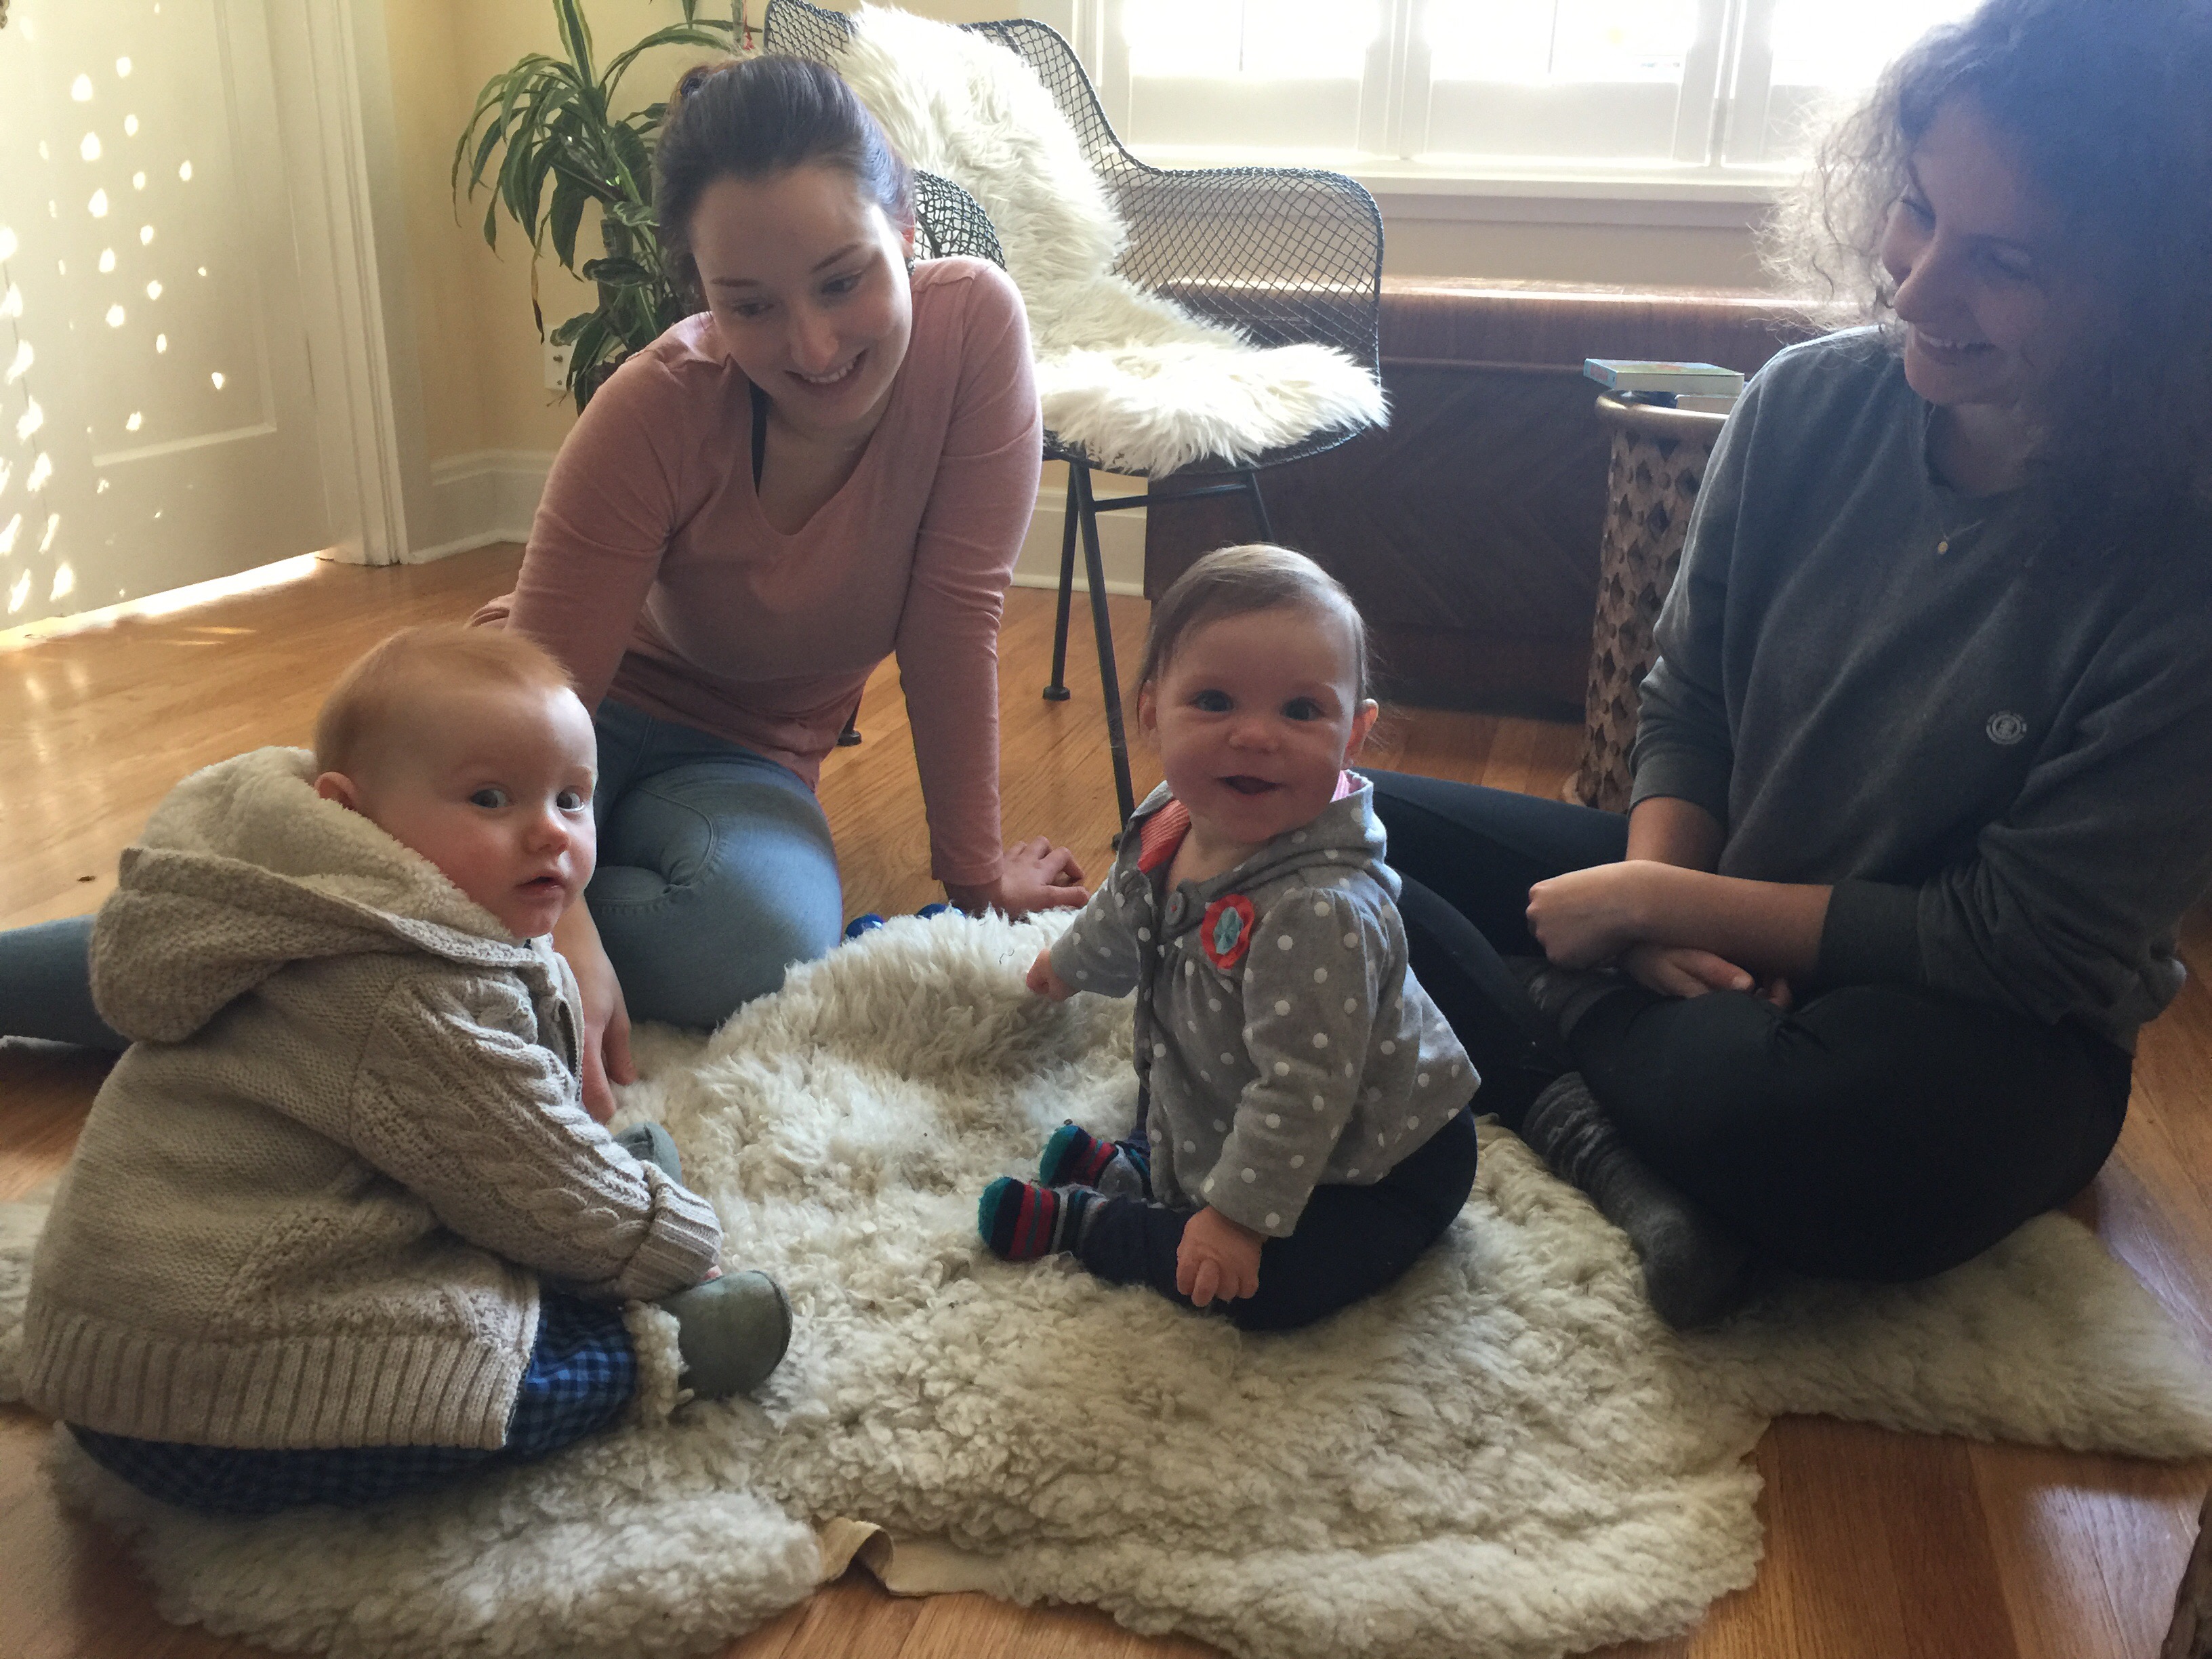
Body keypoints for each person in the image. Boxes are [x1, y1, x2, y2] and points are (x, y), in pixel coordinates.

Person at [0, 55, 1086, 1120]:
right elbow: (541, 683)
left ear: (907, 229)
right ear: (700, 294)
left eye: (844, 281)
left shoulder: (976, 333)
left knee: (751, 945)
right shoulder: (655, 407)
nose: (811, 344)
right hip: (550, 710)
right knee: (377, 897)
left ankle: (398, 934)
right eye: (748, 306)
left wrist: (974, 879)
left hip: (746, 755)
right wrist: (557, 925)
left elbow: (955, 619)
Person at [1366, 0, 2212, 1328]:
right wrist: (1658, 903)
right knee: (1291, 817)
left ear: (2159, 301)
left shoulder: (2180, 563)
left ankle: (1536, 1011)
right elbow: (1689, 696)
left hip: (1966, 1022)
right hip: (1720, 895)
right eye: (1917, 207)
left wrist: (1657, 907)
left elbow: (2015, 941)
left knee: (1847, 1143)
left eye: (2005, 261)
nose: (1914, 288)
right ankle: (1604, 1059)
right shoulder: (1803, 403)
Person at [19, 628, 791, 1515]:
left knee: (531, 1197)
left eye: (573, 799)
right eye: (491, 798)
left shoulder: (327, 903)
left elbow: (499, 1127)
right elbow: (534, 1187)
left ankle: (619, 1197)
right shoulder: (403, 997)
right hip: (218, 1397)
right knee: (481, 1375)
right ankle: (657, 1357)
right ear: (352, 812)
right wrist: (672, 1242)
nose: (551, 830)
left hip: (129, 1340)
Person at [977, 548, 1480, 1331]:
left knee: (1260, 1286)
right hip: (1228, 1097)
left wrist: (1239, 1222)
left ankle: (1099, 1226)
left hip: (1378, 1161)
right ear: (1152, 710)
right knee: (1168, 1097)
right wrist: (1068, 964)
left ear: (1354, 735)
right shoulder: (1173, 815)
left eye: (1301, 711)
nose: (1254, 736)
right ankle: (1145, 1169)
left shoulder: (1318, 913)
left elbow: (1304, 1093)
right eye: (1214, 701)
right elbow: (1125, 905)